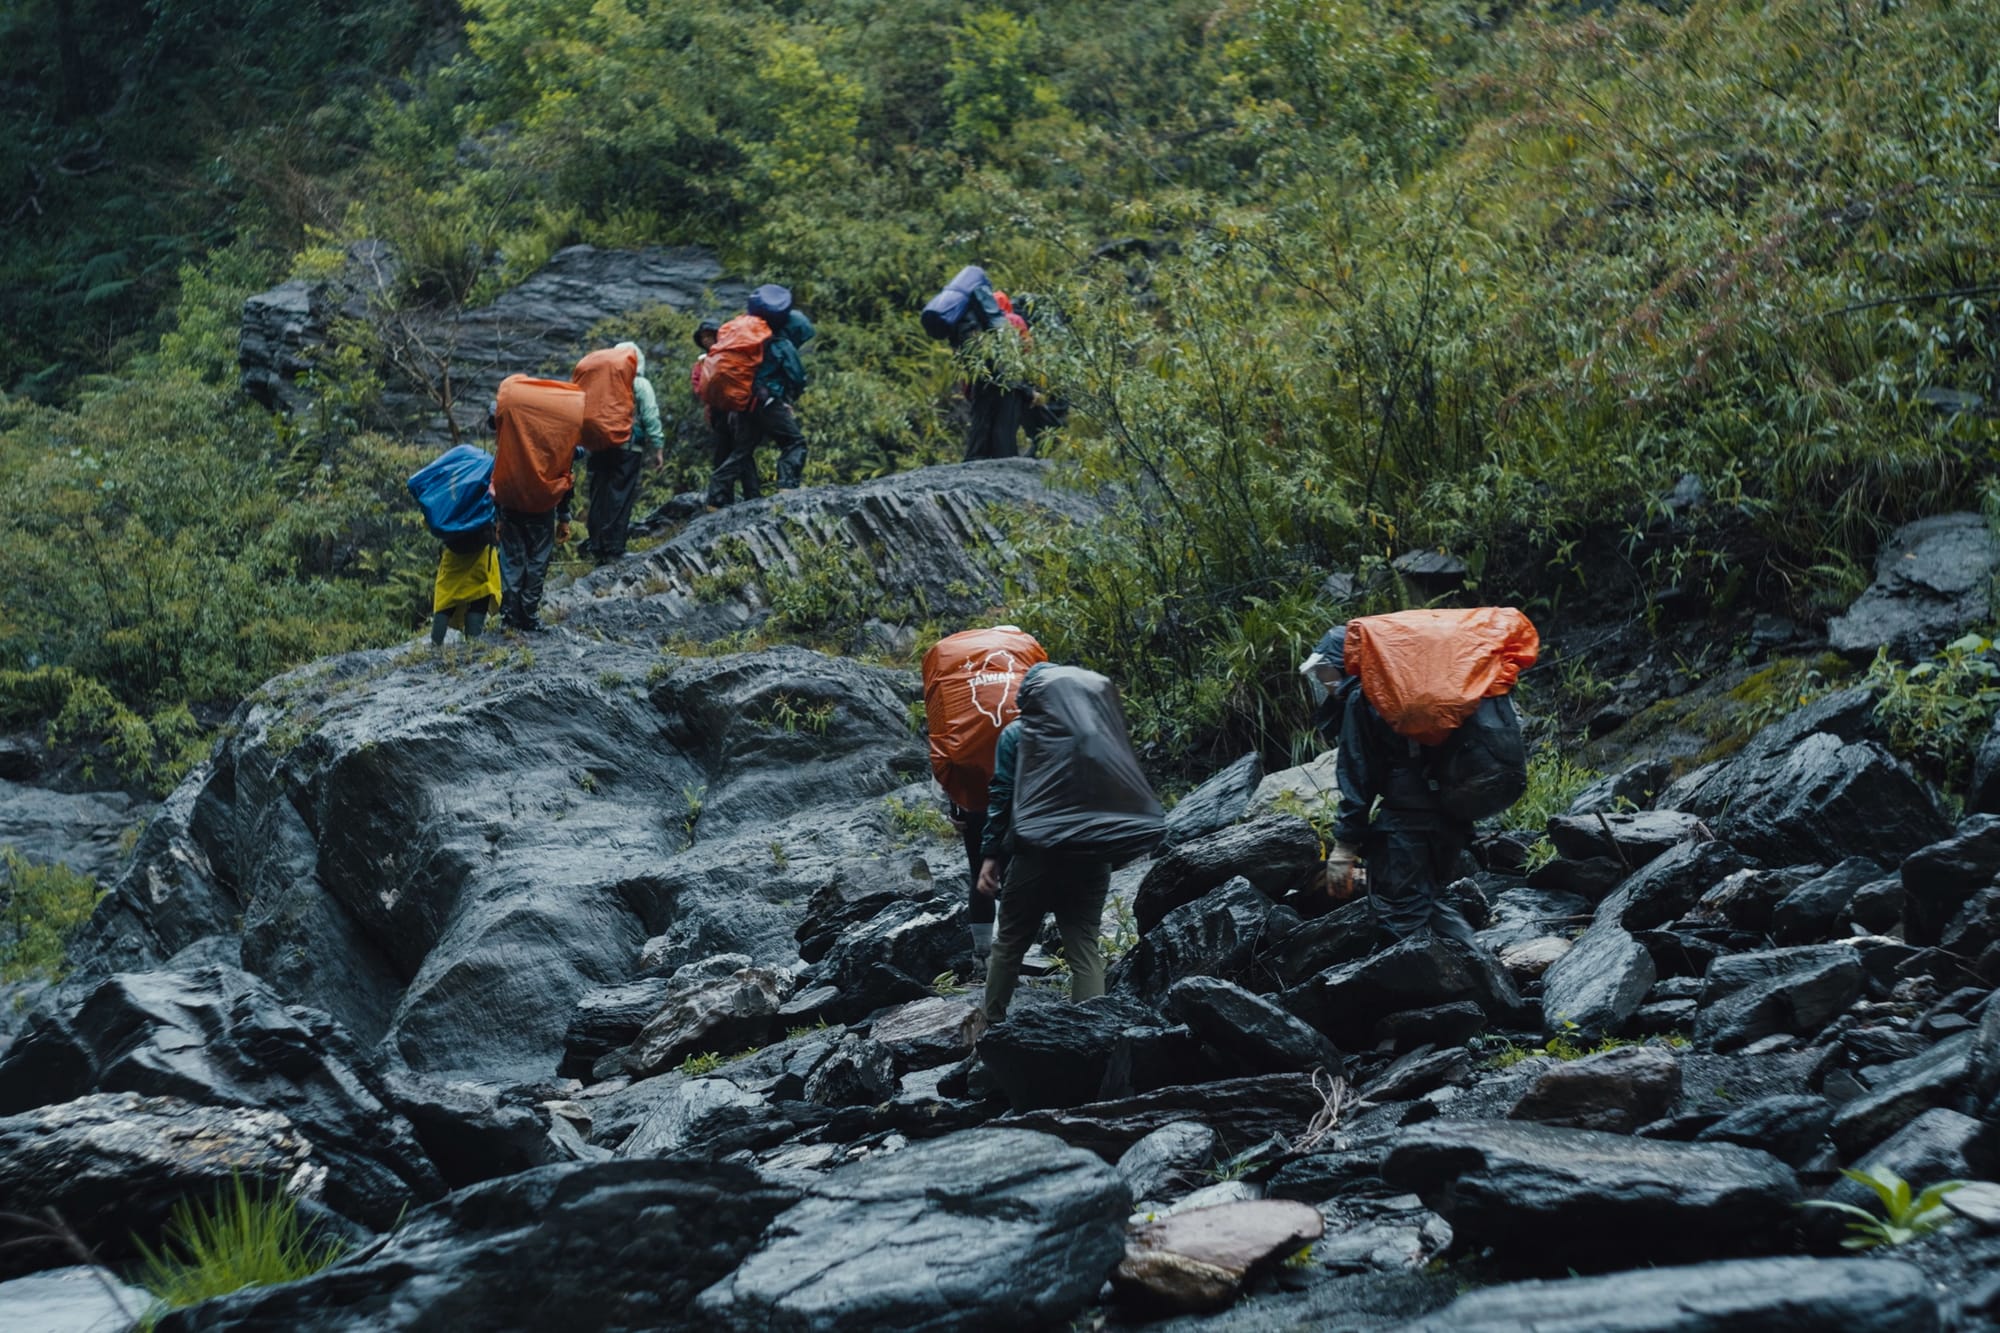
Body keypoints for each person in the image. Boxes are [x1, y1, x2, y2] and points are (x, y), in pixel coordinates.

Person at [1301, 626, 1479, 944]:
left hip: (1408, 826)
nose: (1325, 683)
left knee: (1400, 919)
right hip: (1451, 818)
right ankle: (1482, 972)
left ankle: (1431, 987)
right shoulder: (1406, 689)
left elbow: (1357, 780)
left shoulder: (1363, 697)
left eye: (1325, 672)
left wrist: (1344, 849)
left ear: (1346, 664)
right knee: (1432, 903)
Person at [976, 664, 1113, 1023]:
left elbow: (1002, 796)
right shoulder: (1098, 729)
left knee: (1009, 942)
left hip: (1037, 854)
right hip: (1093, 853)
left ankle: (991, 1028)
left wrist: (991, 856)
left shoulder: (1017, 734)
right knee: (1084, 946)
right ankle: (1094, 1033)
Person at [490, 377, 583, 634]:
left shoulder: (512, 440)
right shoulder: (557, 440)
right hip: (543, 506)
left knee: (512, 561)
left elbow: (500, 477)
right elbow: (568, 472)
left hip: (511, 505)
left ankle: (510, 618)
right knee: (536, 562)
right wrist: (564, 517)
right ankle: (529, 617)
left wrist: (496, 517)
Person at [582, 340, 664, 565]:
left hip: (598, 446)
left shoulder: (600, 383)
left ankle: (596, 546)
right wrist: (657, 447)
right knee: (620, 496)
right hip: (627, 448)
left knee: (599, 495)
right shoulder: (638, 382)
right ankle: (614, 549)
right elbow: (649, 416)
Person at [733, 306, 815, 491]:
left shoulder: (759, 342)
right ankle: (787, 486)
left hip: (747, 402)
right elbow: (797, 376)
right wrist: (790, 398)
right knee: (794, 443)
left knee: (743, 451)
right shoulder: (783, 344)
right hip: (768, 402)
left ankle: (726, 496)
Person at [955, 290, 1030, 461]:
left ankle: (974, 462)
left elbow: (966, 362)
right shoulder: (1014, 320)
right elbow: (1027, 351)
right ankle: (1004, 463)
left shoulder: (976, 324)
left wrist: (967, 390)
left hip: (980, 383)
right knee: (1004, 430)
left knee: (980, 428)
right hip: (1010, 382)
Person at [695, 320, 759, 508]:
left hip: (737, 411)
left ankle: (752, 495)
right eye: (704, 337)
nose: (707, 340)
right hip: (718, 413)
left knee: (742, 453)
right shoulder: (701, 363)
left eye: (710, 336)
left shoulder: (732, 356)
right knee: (723, 453)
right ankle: (722, 499)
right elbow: (699, 388)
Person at [431, 523, 499, 646]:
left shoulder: (448, 502)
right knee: (480, 592)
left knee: (445, 598)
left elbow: (431, 517)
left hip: (453, 550)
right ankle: (473, 644)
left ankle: (435, 645)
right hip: (482, 549)